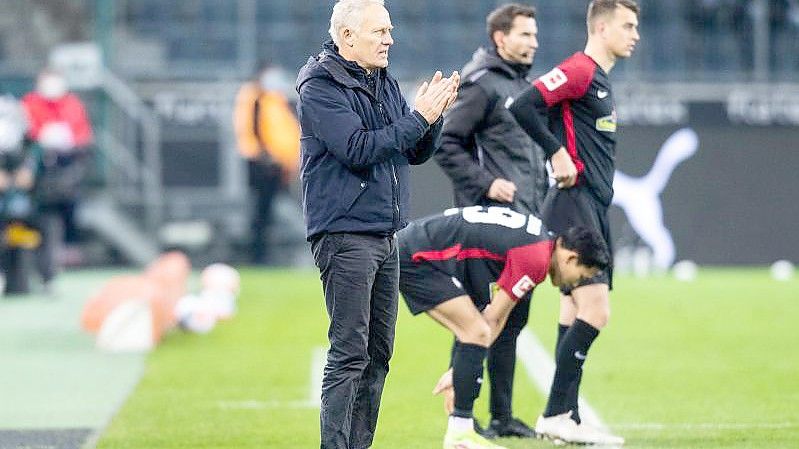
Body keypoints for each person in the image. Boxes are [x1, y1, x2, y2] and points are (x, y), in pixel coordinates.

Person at [295, 1, 459, 448]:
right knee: (350, 353)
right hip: (345, 233)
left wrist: (434, 117)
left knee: (378, 355)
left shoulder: (380, 79)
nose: (390, 39)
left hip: (385, 234)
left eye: (389, 30)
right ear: (348, 36)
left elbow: (412, 150)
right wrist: (418, 117)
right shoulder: (320, 85)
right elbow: (358, 149)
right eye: (380, 32)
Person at [507, 0, 640, 444]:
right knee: (597, 311)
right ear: (601, 28)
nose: (634, 34)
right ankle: (556, 414)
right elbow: (523, 104)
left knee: (574, 309)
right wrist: (555, 151)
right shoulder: (580, 70)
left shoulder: (600, 80)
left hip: (593, 207)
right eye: (627, 25)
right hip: (574, 203)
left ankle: (568, 415)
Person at [397, 205, 610, 449]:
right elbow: (492, 320)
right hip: (416, 257)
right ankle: (460, 434)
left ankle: (461, 432)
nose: (577, 283)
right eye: (582, 275)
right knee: (475, 331)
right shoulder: (537, 258)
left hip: (413, 248)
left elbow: (499, 317)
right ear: (570, 258)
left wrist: (461, 369)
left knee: (476, 331)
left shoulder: (538, 240)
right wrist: (460, 371)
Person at [434, 3, 546, 438]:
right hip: (485, 222)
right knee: (476, 318)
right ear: (501, 39)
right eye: (524, 35)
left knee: (512, 319)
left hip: (523, 220)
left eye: (534, 36)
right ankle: (463, 417)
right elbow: (446, 143)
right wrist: (487, 183)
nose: (533, 42)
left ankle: (501, 416)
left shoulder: (521, 83)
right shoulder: (481, 84)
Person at [21, 69, 93, 290]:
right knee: (20, 227)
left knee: (52, 229)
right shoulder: (29, 104)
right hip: (30, 182)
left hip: (59, 183)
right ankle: (18, 273)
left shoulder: (72, 105)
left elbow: (83, 137)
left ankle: (48, 275)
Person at [233, 64, 301, 265]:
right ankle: (258, 255)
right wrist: (267, 157)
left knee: (267, 212)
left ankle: (262, 253)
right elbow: (253, 131)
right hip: (263, 165)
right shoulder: (254, 97)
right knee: (261, 212)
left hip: (277, 165)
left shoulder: (272, 98)